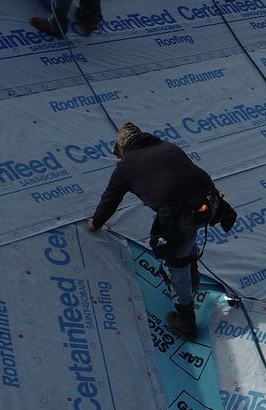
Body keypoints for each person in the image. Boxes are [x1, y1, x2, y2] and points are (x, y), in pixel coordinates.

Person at [86, 123, 237, 338]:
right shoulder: (167, 146)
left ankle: (187, 323)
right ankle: (192, 271)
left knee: (177, 265)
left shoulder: (126, 166)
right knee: (186, 240)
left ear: (122, 147)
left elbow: (110, 200)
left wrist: (95, 223)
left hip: (183, 214)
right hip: (210, 202)